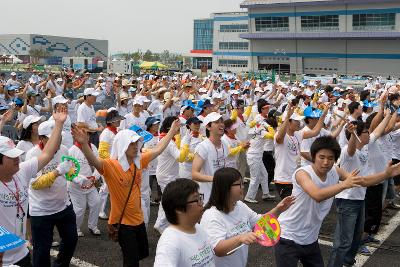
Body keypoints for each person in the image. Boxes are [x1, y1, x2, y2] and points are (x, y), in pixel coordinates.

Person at [276, 135, 400, 267]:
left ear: (335, 159)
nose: (325, 162)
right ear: (313, 156)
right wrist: (344, 184)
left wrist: (386, 174)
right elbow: (317, 195)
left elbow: (363, 181)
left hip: (310, 240)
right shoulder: (302, 173)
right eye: (321, 157)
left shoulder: (335, 171)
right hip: (288, 237)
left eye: (330, 158)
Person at [72, 118, 181, 267]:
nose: (136, 146)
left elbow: (159, 149)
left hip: (139, 219)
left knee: (142, 252)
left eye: (137, 143)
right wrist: (84, 144)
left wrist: (172, 132)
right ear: (122, 145)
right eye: (132, 143)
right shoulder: (111, 166)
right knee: (131, 261)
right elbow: (94, 161)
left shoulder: (139, 160)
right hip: (123, 223)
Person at [0, 108, 68, 267]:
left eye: (17, 154)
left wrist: (58, 124)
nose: (17, 158)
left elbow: (47, 153)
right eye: (11, 157)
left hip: (22, 253)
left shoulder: (22, 171)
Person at [200, 168, 295, 267]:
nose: (243, 187)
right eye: (239, 184)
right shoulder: (212, 216)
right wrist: (240, 238)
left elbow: (261, 222)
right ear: (225, 188)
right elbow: (218, 249)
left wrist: (279, 209)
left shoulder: (239, 206)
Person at [26, 118, 78, 267]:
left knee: (71, 239)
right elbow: (35, 184)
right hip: (42, 211)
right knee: (41, 251)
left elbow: (68, 171)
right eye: (53, 138)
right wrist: (56, 172)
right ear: (41, 138)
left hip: (63, 205)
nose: (58, 141)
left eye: (59, 136)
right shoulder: (33, 154)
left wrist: (78, 178)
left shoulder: (64, 149)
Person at [154, 179, 215, 267]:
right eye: (196, 199)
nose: (202, 203)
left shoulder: (198, 227)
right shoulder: (170, 242)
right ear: (179, 209)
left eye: (200, 197)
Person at [68, 122, 102, 237]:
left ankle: (93, 226)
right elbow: (68, 172)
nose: (87, 136)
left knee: (96, 203)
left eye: (88, 134)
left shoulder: (93, 147)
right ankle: (76, 228)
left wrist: (94, 177)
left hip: (91, 183)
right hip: (76, 186)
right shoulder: (72, 150)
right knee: (79, 209)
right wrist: (80, 180)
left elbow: (98, 165)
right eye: (85, 133)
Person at [192, 112, 229, 203]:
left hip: (222, 192)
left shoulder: (224, 144)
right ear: (208, 127)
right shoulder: (203, 147)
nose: (221, 124)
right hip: (207, 195)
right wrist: (216, 179)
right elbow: (194, 174)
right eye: (216, 122)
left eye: (221, 121)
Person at [97, 109, 125, 219]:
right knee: (106, 188)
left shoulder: (115, 131)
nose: (119, 121)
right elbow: (102, 152)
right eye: (116, 120)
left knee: (109, 188)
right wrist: (113, 161)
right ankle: (100, 211)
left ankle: (107, 210)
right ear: (111, 121)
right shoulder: (106, 133)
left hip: (114, 164)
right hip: (108, 164)